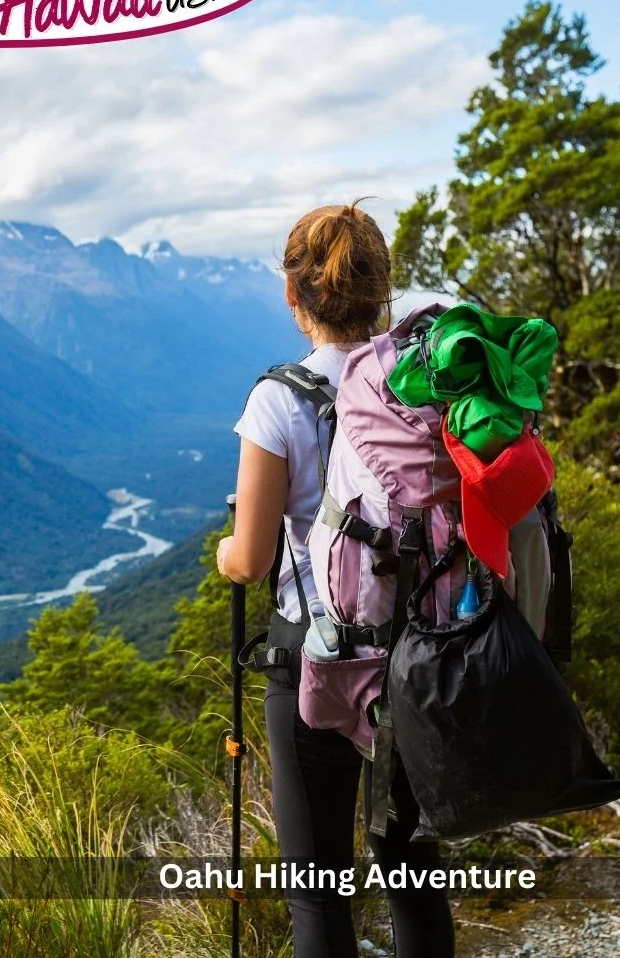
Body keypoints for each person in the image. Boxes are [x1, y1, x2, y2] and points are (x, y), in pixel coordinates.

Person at [216, 201, 455, 958]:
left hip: (313, 664)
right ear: (384, 290)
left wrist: (226, 549)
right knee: (415, 878)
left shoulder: (277, 401)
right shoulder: (419, 383)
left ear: (294, 296)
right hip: (420, 659)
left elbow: (250, 560)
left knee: (319, 897)